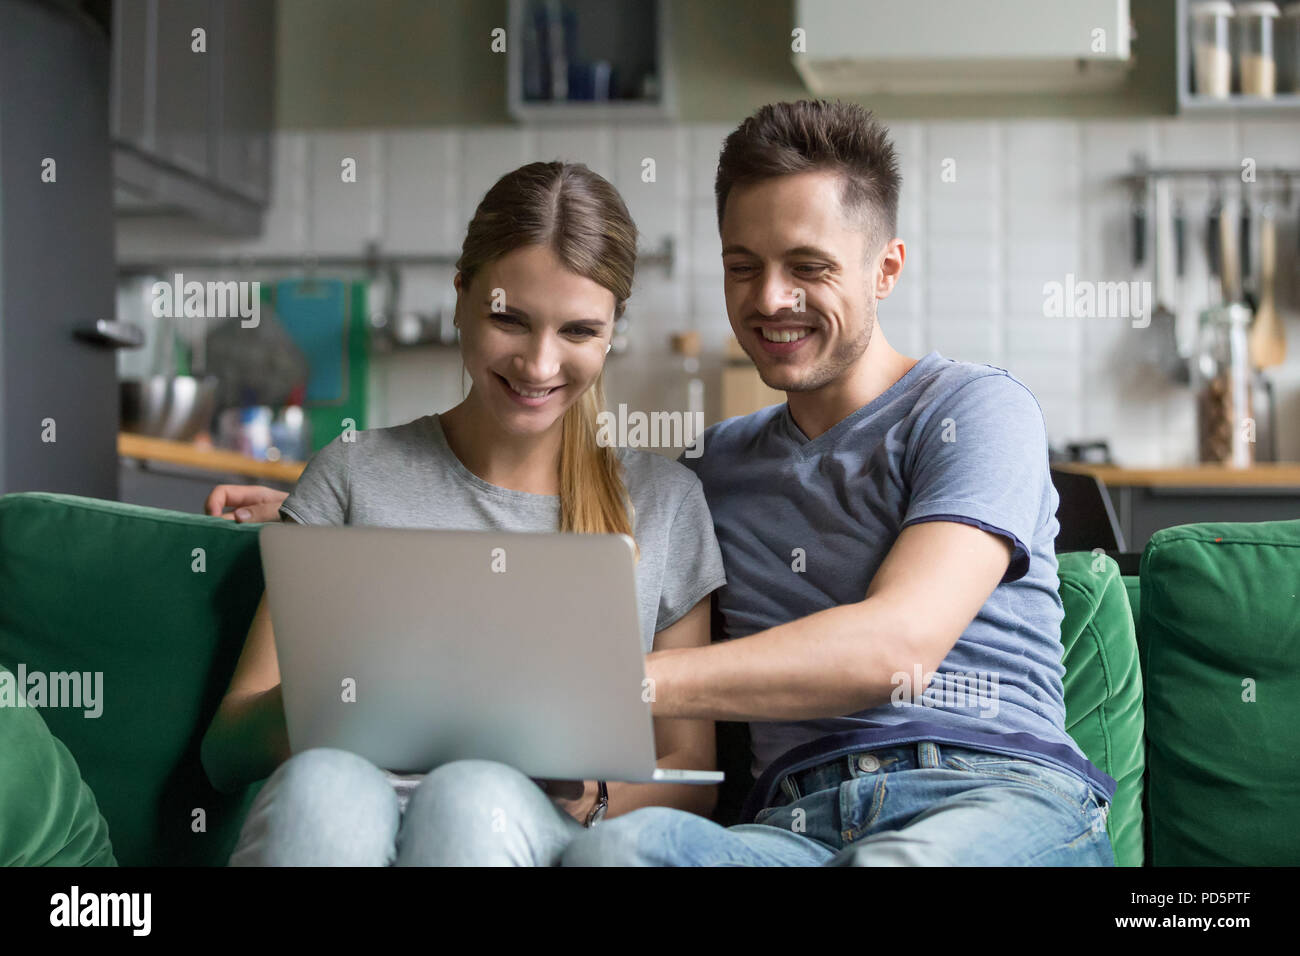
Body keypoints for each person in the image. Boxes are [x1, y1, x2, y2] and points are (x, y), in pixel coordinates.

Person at [214, 98, 1117, 868]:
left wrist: (585, 686)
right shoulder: (711, 474)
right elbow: (529, 493)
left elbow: (896, 649)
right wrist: (306, 540)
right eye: (743, 266)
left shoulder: (976, 409)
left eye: (808, 267)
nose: (770, 299)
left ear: (886, 269)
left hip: (985, 787)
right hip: (791, 827)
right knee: (614, 856)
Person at [200, 160, 726, 866]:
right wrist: (342, 695)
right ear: (461, 296)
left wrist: (590, 795)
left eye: (578, 332)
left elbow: (688, 770)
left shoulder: (664, 504)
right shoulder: (353, 475)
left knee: (470, 796)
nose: (539, 365)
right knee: (324, 786)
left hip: (521, 834)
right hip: (341, 813)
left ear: (611, 332)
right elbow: (227, 748)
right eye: (509, 319)